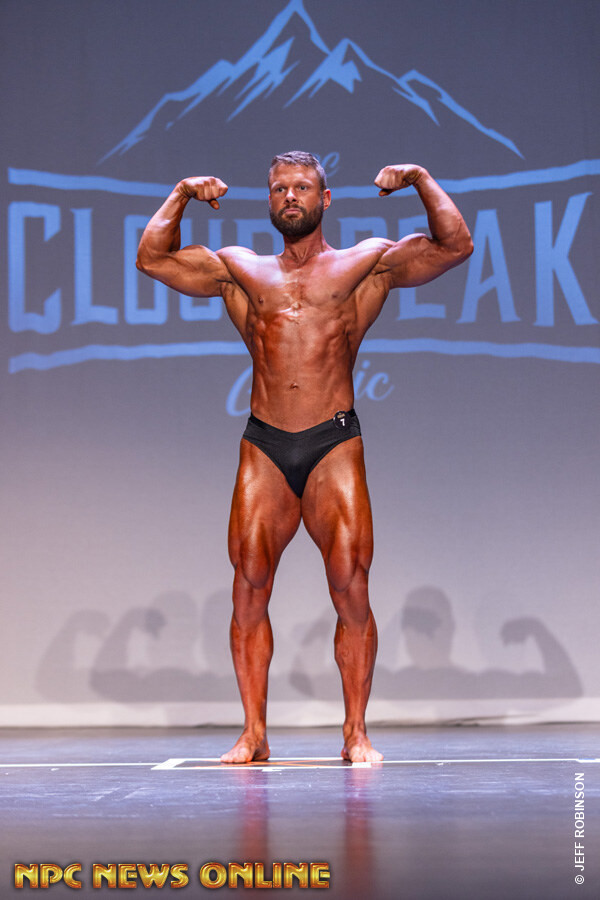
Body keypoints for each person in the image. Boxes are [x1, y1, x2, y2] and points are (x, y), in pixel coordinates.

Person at [136, 151, 473, 763]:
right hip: (264, 443)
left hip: (333, 443)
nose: (290, 196)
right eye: (279, 189)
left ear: (324, 199)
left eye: (301, 187)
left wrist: (422, 179)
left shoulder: (364, 264)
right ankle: (254, 733)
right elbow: (151, 258)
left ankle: (356, 732)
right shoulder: (239, 269)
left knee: (350, 586)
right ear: (269, 200)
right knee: (248, 587)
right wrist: (182, 192)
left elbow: (455, 245)